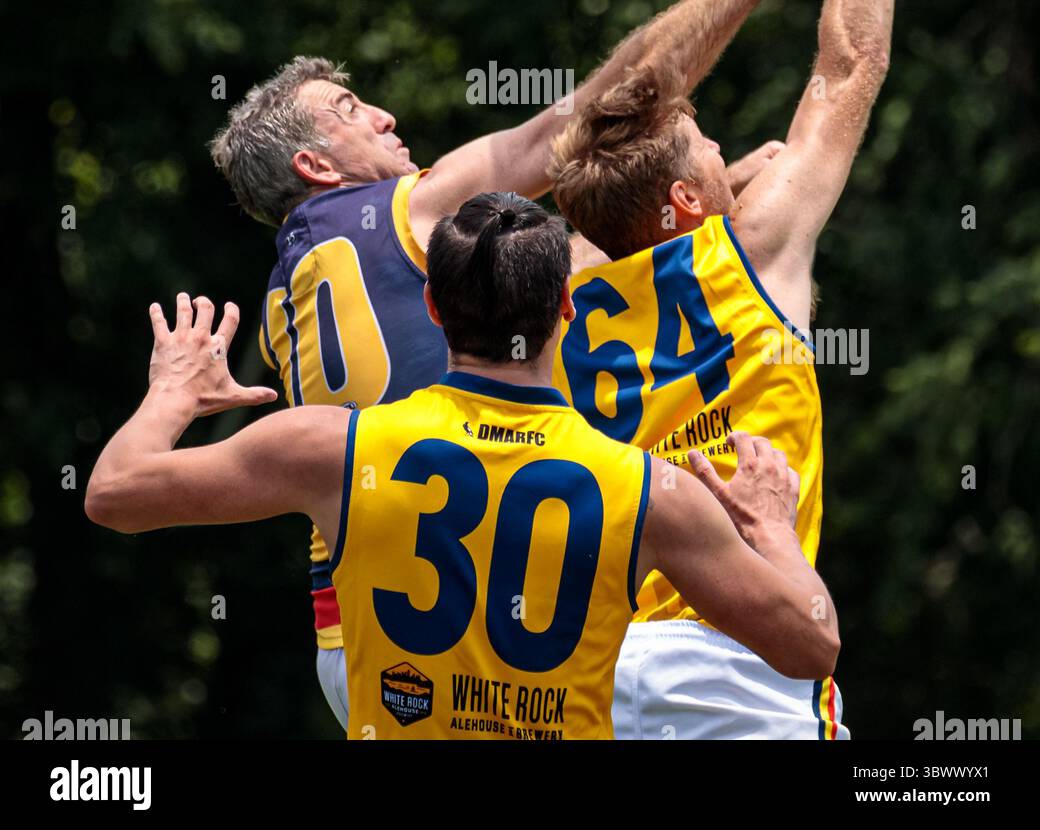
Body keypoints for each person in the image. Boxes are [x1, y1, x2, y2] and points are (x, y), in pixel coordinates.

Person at [207, 0, 841, 725]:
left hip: (352, 631)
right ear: (317, 167)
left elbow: (558, 267)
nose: (387, 115)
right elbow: (590, 118)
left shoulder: (291, 292)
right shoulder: (411, 210)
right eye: (352, 111)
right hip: (471, 606)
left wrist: (732, 186)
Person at [85, 193, 839, 740]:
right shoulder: (649, 491)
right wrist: (770, 528)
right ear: (567, 311)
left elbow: (113, 495)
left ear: (436, 308)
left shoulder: (335, 449)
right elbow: (811, 647)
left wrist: (172, 392)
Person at [549, 0, 904, 739]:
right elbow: (849, 63)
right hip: (744, 665)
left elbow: (594, 124)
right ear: (678, 207)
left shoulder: (552, 285)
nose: (721, 147)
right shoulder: (751, 255)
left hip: (600, 671)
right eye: (702, 146)